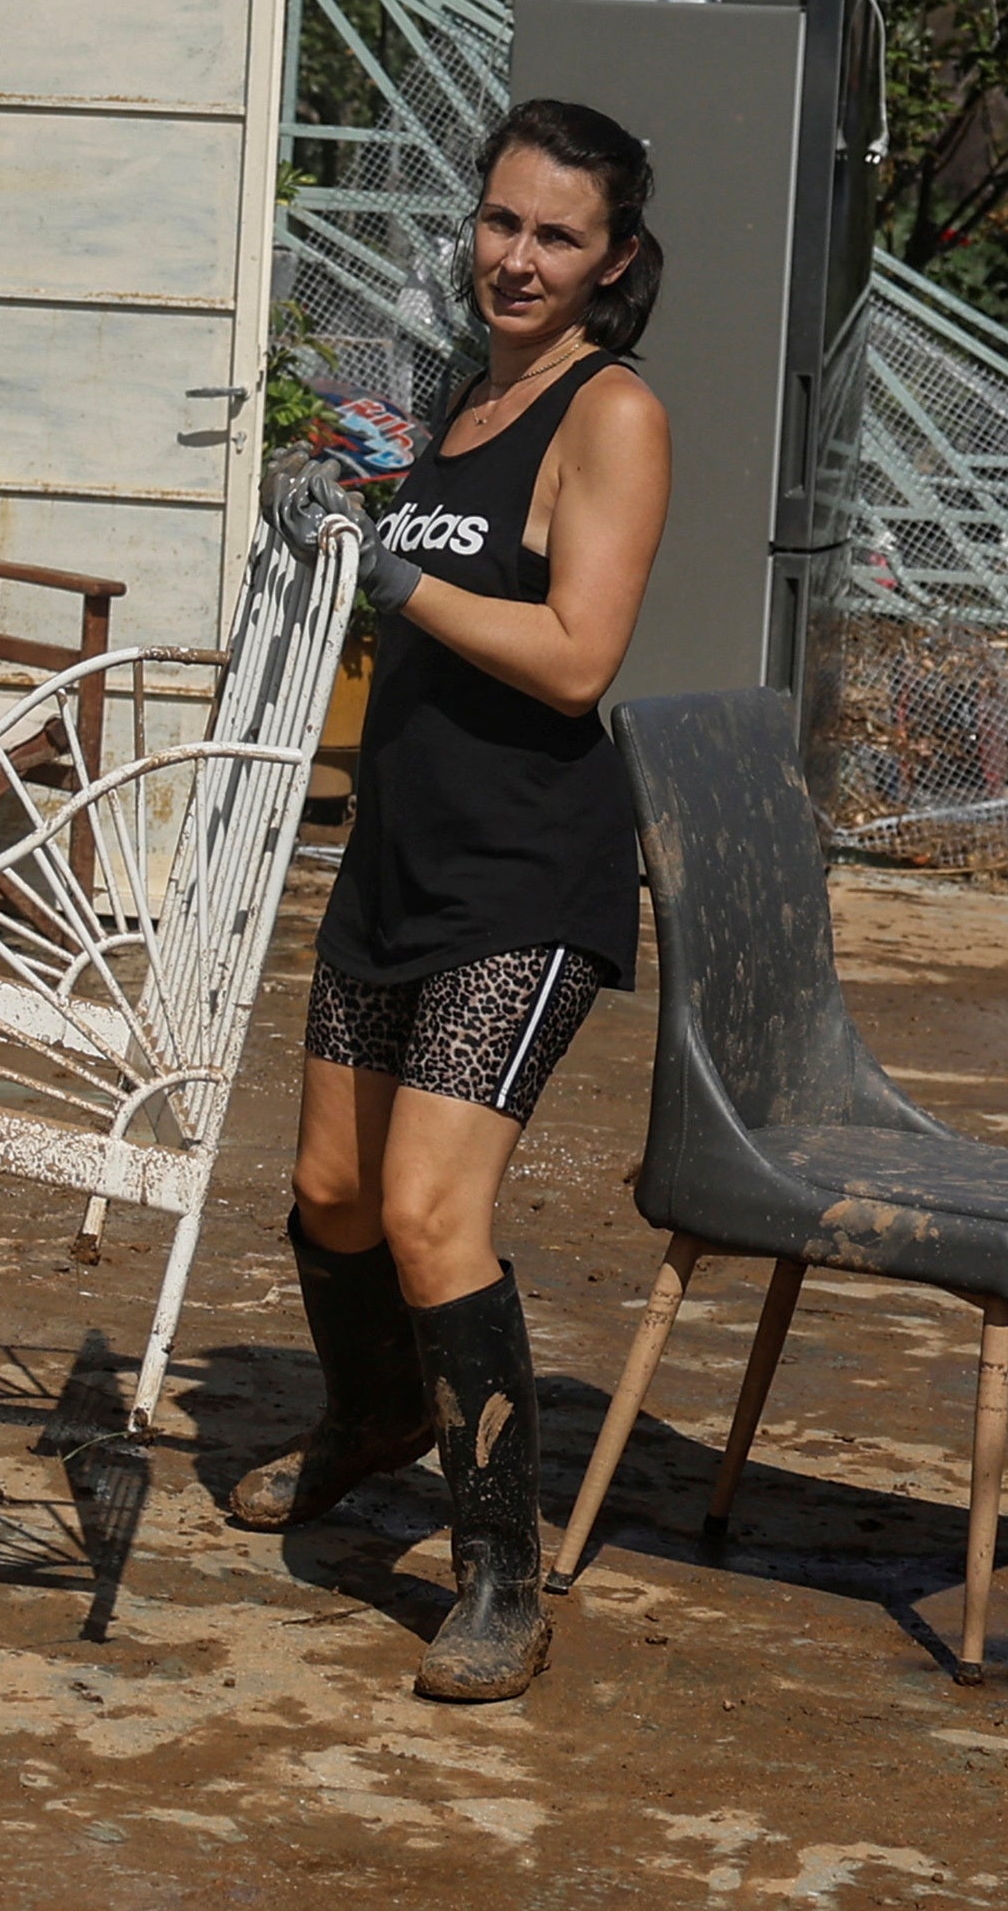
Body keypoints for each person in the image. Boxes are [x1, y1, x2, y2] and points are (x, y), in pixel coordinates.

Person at [228, 97, 675, 1705]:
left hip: (523, 873)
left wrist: (401, 578)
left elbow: (577, 657)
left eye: (559, 235)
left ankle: (500, 1563)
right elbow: (368, 526)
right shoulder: (441, 399)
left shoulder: (606, 414)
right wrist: (319, 492)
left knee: (429, 1210)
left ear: (613, 259)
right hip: (395, 853)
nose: (518, 256)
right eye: (501, 221)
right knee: (333, 1194)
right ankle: (372, 1414)